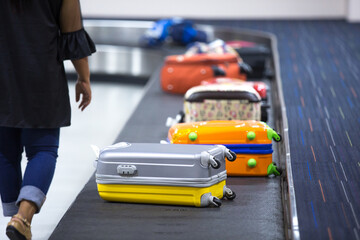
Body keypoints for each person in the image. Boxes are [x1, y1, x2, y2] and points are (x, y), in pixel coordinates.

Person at [0, 0, 96, 239]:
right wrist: (84, 78)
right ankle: (22, 218)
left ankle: (14, 216)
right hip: (42, 77)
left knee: (5, 152)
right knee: (43, 150)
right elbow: (72, 33)